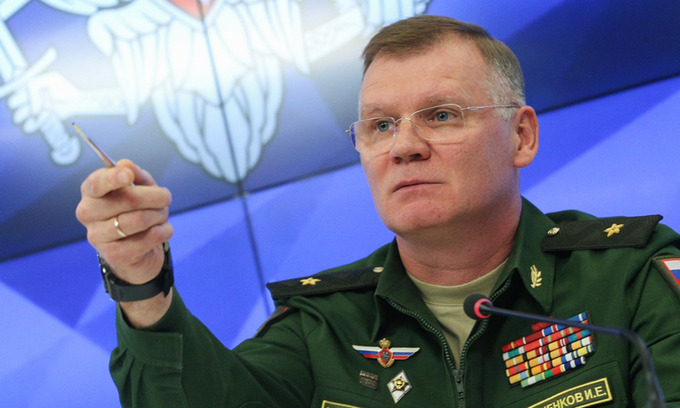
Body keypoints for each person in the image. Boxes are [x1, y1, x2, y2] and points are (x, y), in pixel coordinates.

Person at [76, 15, 680, 408]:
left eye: (441, 115)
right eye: (381, 125)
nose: (404, 146)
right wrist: (141, 280)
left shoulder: (628, 279)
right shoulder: (324, 326)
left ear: (520, 136)